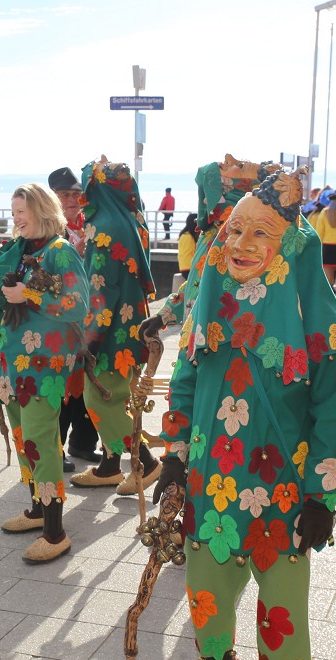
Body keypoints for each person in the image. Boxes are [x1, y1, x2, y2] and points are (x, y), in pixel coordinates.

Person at [157, 167, 336, 660]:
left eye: (260, 233)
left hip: (282, 482)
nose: (241, 243)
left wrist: (323, 497)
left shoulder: (315, 320)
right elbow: (186, 376)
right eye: (235, 230)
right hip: (211, 472)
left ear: (289, 247)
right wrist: (175, 458)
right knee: (206, 577)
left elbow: (335, 408)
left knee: (281, 596)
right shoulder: (211, 296)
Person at [0, 183, 90, 562]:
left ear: (42, 211)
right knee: (25, 439)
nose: (16, 218)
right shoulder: (19, 253)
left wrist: (31, 295)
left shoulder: (61, 251)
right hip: (13, 364)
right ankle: (38, 510)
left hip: (45, 367)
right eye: (14, 210)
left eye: (22, 211)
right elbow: (6, 297)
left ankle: (55, 532)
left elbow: (77, 304)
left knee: (40, 439)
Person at [70, 157, 159, 497]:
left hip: (111, 333)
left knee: (100, 397)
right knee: (119, 395)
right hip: (131, 324)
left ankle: (147, 463)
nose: (82, 199)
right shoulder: (128, 220)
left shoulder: (103, 228)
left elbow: (100, 292)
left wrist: (89, 339)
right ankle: (110, 465)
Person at [142, 155, 281, 339]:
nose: (227, 159)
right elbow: (200, 280)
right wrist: (165, 314)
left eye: (238, 165)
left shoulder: (234, 233)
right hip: (206, 338)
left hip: (224, 342)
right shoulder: (214, 231)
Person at [49, 166, 102, 472]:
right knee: (63, 387)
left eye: (76, 194)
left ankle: (83, 442)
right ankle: (52, 446)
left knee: (88, 383)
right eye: (65, 194)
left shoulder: (91, 225)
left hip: (90, 318)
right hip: (62, 320)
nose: (72, 199)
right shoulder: (49, 231)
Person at [177, 213, 200, 279]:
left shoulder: (184, 235)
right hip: (189, 268)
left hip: (183, 268)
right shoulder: (189, 237)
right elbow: (191, 254)